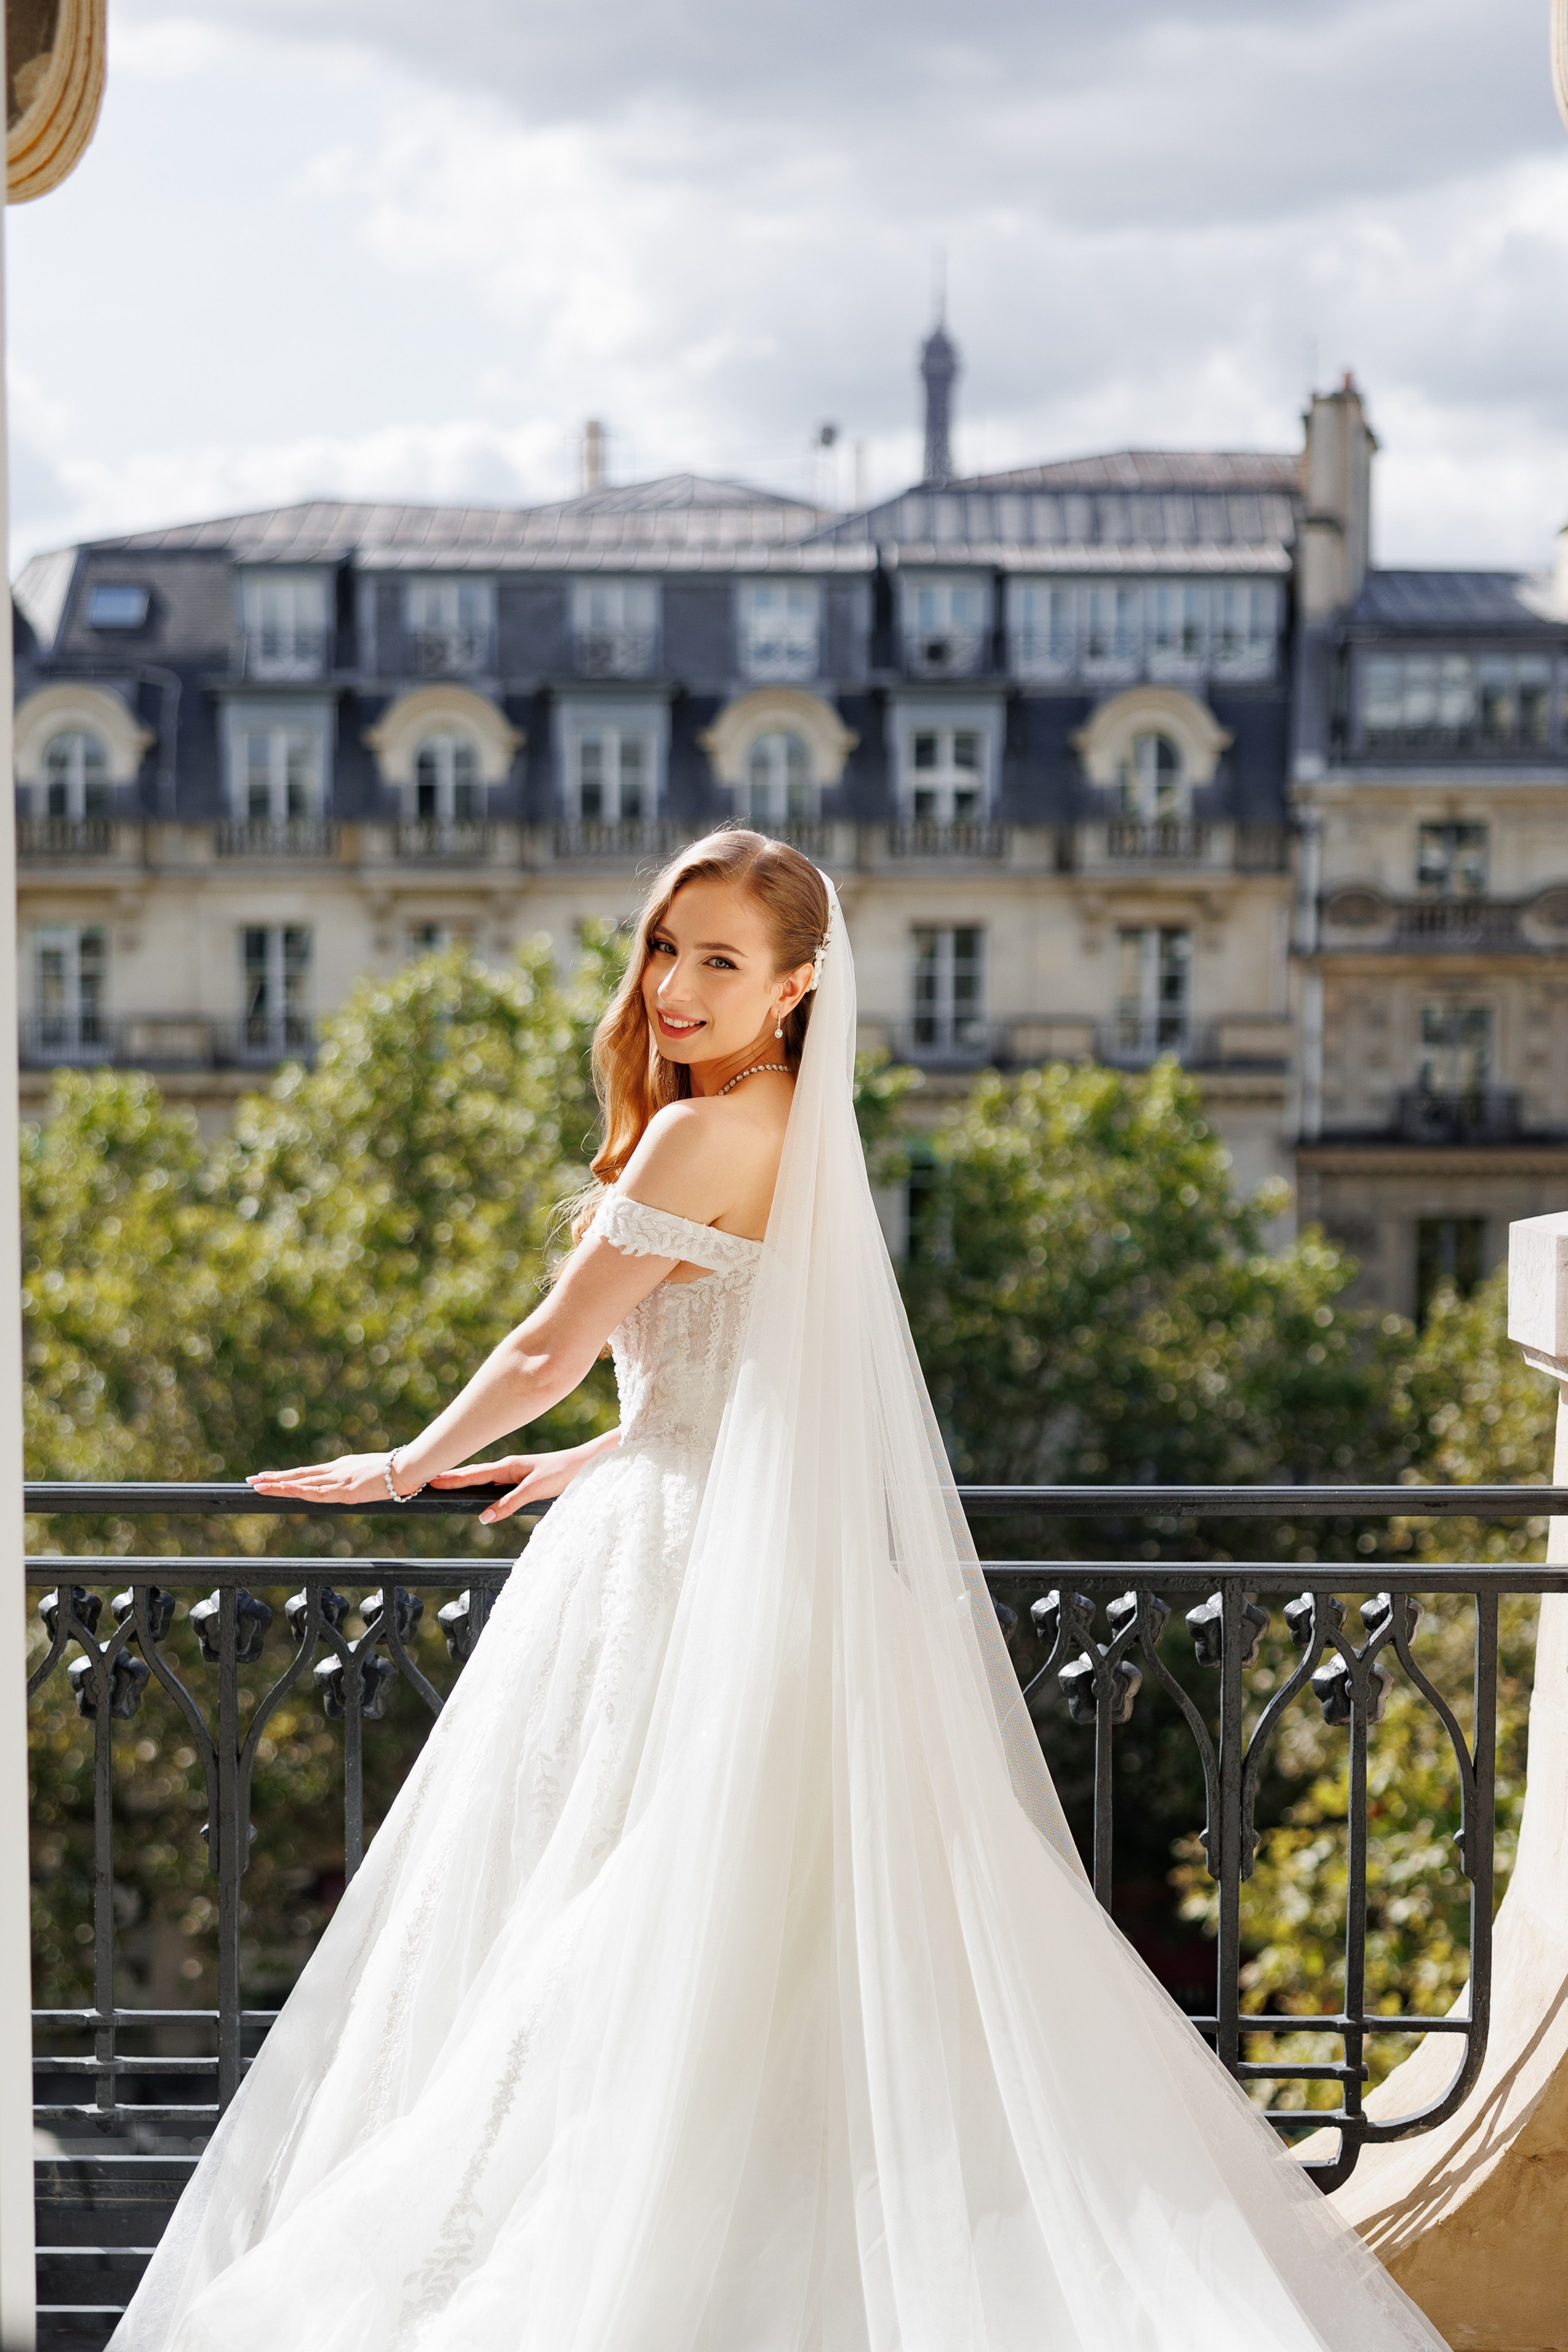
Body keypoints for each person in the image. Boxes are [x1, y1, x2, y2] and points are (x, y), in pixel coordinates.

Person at [111, 829, 1445, 2351]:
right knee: (761, 1956)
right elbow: (746, 1360)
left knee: (621, 1942)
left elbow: (546, 1346)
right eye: (664, 948)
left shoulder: (699, 1137)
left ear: (797, 984)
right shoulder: (792, 1123)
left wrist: (407, 1464)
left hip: (683, 1577)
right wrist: (618, 1446)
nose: (675, 985)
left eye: (720, 961)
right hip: (742, 1552)